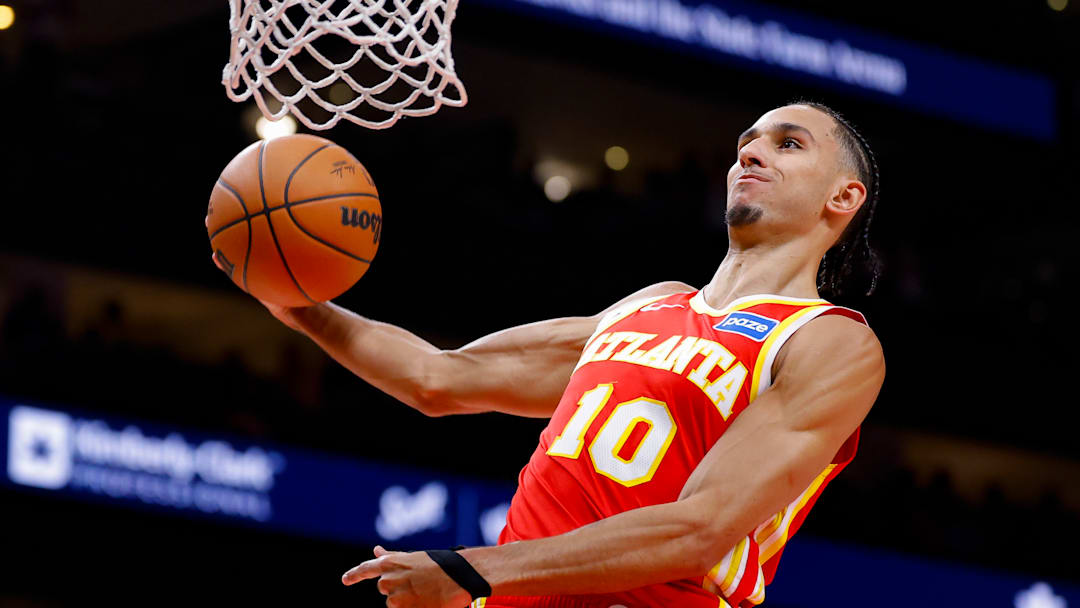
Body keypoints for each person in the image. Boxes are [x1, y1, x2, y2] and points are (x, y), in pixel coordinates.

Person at [245, 102, 886, 608]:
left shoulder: (829, 340)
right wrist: (301, 308)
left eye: (788, 143)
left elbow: (699, 528)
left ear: (843, 198)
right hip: (514, 594)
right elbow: (438, 376)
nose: (750, 150)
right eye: (747, 140)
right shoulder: (649, 306)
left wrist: (472, 570)